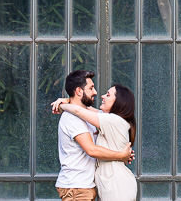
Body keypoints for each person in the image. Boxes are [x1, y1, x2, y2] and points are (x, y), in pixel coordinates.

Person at [54, 70, 133, 201]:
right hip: (76, 188)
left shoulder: (94, 117)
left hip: (85, 187)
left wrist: (66, 102)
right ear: (79, 91)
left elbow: (82, 110)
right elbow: (91, 150)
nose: (96, 92)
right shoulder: (72, 118)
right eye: (91, 88)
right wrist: (121, 155)